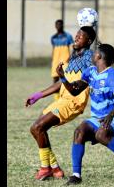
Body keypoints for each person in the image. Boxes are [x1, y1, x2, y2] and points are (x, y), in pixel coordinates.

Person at [56, 44, 114, 185]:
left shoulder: (112, 74)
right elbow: (74, 90)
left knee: (101, 134)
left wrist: (110, 115)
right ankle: (76, 176)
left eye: (94, 52)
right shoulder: (90, 72)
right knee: (79, 131)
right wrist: (63, 78)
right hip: (96, 119)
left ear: (98, 56)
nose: (92, 54)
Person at [25, 26, 97, 181]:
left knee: (37, 127)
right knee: (36, 130)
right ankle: (55, 169)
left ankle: (46, 168)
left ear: (89, 41)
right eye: (76, 34)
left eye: (81, 36)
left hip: (72, 103)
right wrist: (38, 95)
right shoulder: (73, 57)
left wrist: (63, 77)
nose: (76, 37)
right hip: (62, 100)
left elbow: (75, 88)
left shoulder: (90, 59)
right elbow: (62, 83)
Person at [50, 20, 74, 100]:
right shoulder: (53, 37)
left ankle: (64, 97)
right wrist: (52, 59)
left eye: (60, 24)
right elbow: (53, 49)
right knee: (55, 79)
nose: (58, 26)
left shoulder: (68, 36)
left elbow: (73, 48)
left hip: (65, 61)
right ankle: (56, 99)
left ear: (63, 25)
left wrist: (70, 57)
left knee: (65, 78)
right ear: (55, 26)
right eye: (57, 25)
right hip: (55, 61)